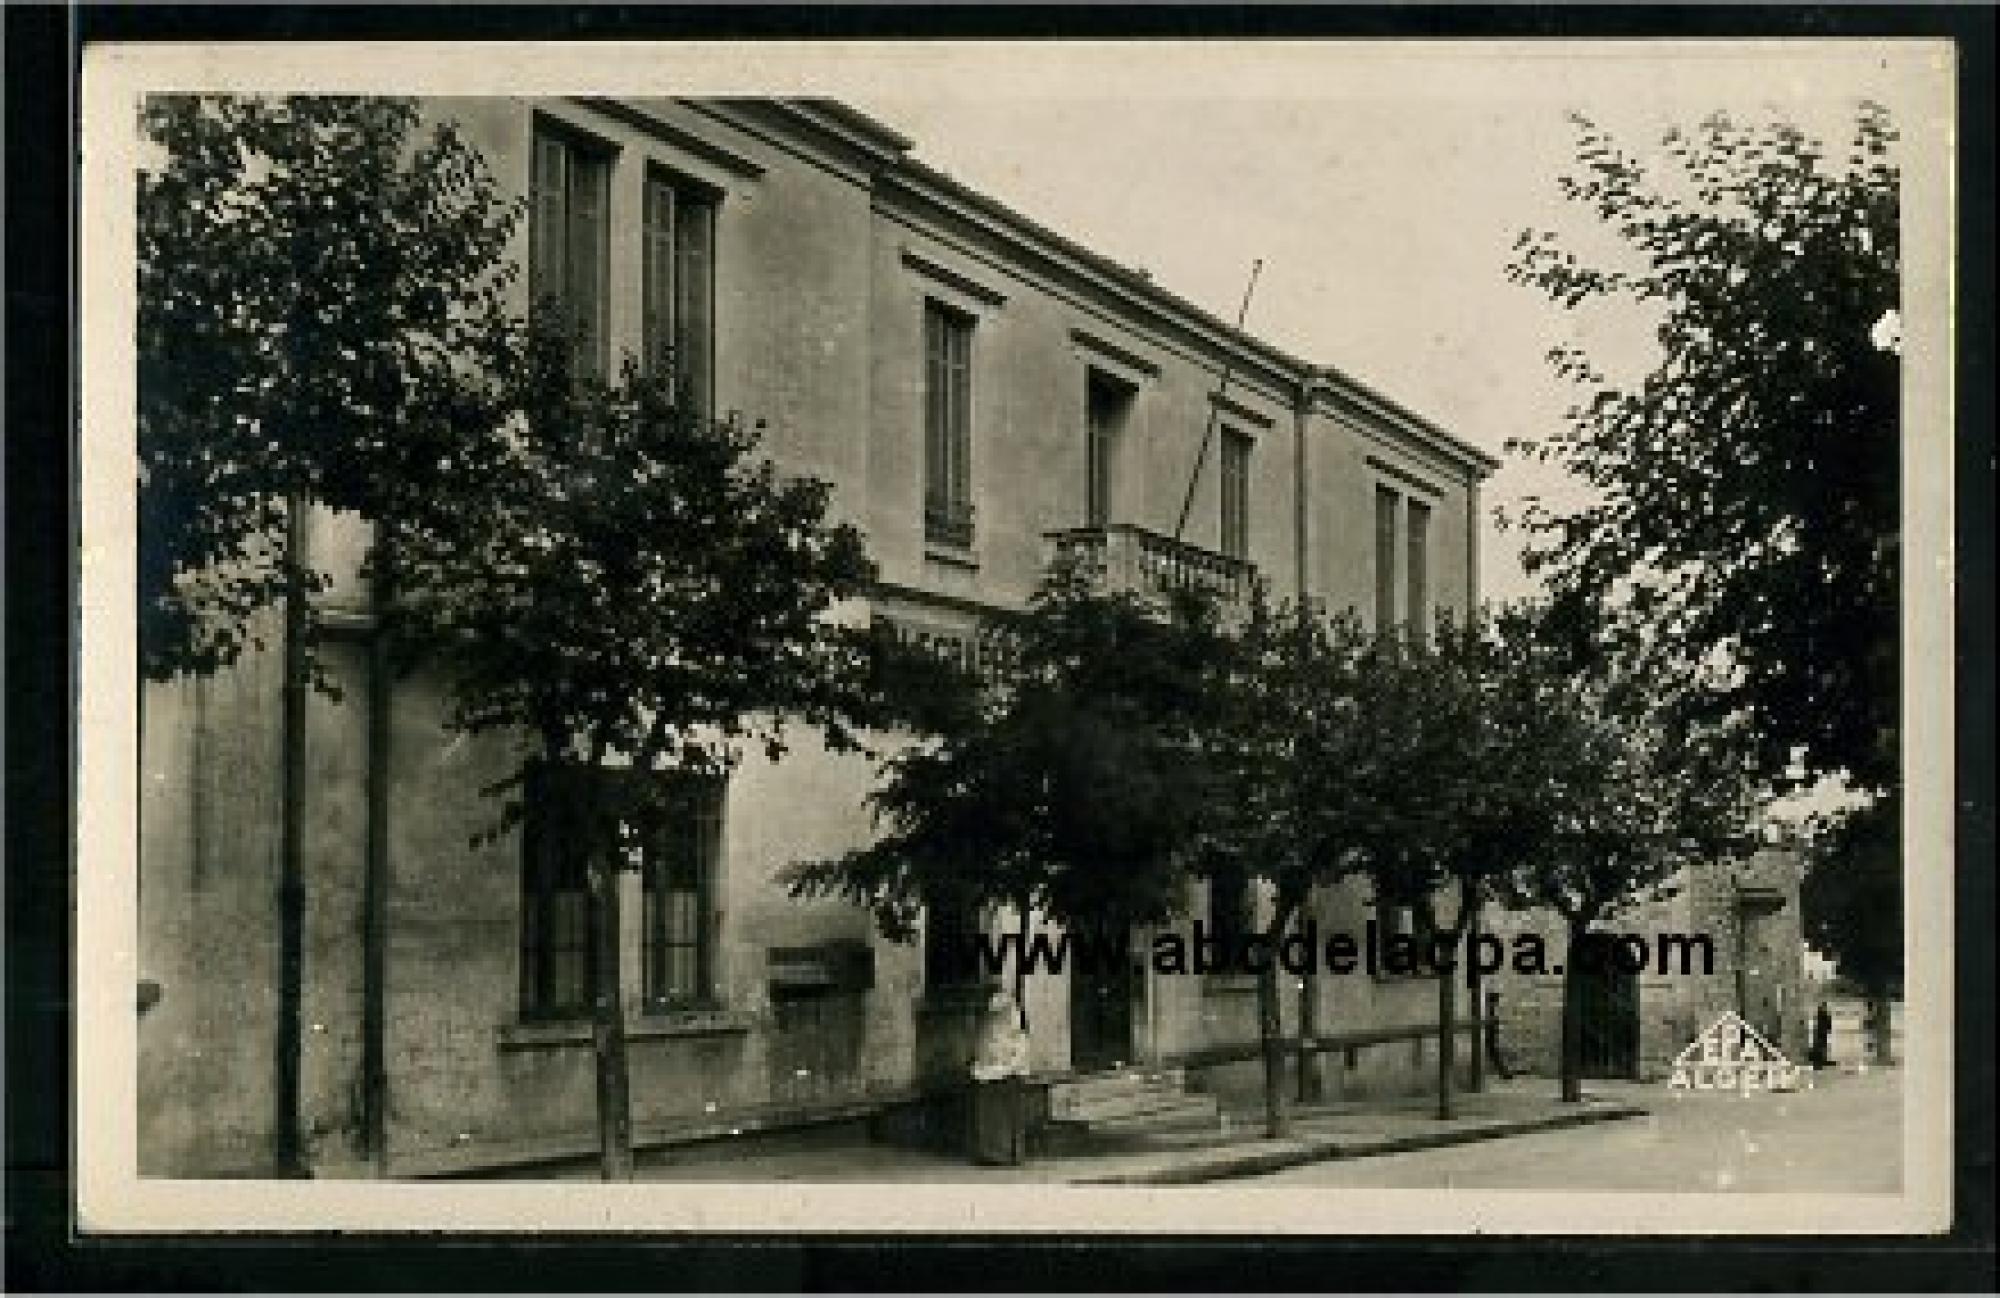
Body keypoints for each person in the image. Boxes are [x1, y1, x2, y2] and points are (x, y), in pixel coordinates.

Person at [968, 988, 1031, 1165]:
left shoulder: (1016, 1035)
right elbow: (982, 1051)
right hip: (991, 1073)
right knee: (991, 1115)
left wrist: (1006, 1067)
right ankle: (992, 1153)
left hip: (1008, 1074)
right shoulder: (989, 1031)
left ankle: (1007, 1153)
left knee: (1007, 1115)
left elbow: (1018, 1056)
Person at [1483, 989, 1514, 1080]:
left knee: (1494, 1054)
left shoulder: (1491, 1010)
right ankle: (1504, 1072)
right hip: (1491, 1035)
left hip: (1491, 1034)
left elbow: (1492, 1023)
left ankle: (1504, 1072)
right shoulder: (1490, 1010)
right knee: (1494, 1054)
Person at [1810, 1001, 1834, 1069]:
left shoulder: (1823, 1016)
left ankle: (1822, 1061)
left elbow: (1829, 1025)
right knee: (1822, 1048)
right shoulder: (1822, 1017)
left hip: (1823, 1035)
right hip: (1822, 1035)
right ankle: (1820, 1062)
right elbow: (1828, 1025)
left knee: (1823, 1048)